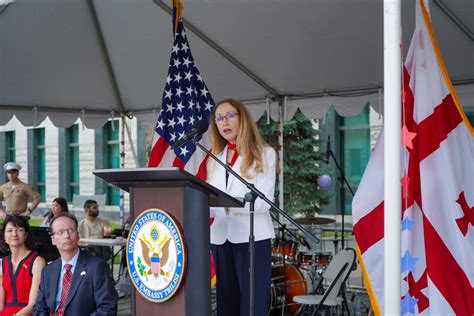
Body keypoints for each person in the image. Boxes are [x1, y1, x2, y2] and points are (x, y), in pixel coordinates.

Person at [207, 98, 276, 316]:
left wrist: (227, 205)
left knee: (252, 303)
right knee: (226, 303)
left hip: (252, 237)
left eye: (230, 115)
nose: (224, 122)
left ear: (242, 118)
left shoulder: (265, 153)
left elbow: (263, 201)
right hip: (220, 236)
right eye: (219, 118)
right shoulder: (214, 158)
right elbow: (210, 198)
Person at [33, 212, 118, 315]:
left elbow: (107, 307)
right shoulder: (48, 271)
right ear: (53, 240)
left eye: (71, 230)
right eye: (60, 232)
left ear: (78, 235)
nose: (67, 236)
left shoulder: (96, 267)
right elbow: (40, 308)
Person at [0, 215, 46, 315]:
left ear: (26, 235)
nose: (14, 234)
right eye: (9, 230)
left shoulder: (37, 262)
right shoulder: (1, 264)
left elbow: (33, 305)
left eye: (19, 230)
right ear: (4, 236)